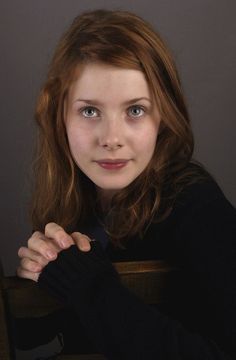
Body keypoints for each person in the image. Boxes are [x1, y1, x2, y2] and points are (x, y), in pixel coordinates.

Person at [16, 8, 236, 360]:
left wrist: (86, 283)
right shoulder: (76, 194)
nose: (112, 138)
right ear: (61, 116)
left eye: (135, 110)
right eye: (90, 111)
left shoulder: (197, 206)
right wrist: (40, 281)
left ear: (162, 115)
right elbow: (44, 332)